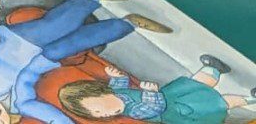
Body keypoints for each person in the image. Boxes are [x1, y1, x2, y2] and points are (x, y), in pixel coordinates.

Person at [0, 0, 172, 124]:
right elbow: (54, 118)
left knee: (55, 26)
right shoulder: (22, 106)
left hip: (14, 42)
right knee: (77, 41)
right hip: (44, 59)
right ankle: (129, 23)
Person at [58, 57, 254, 124]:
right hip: (180, 111)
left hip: (174, 94)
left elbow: (122, 83)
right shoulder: (134, 111)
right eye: (98, 114)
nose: (106, 112)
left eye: (101, 107)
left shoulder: (115, 92)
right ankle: (250, 99)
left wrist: (116, 76)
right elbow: (155, 109)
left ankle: (215, 68)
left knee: (196, 83)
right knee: (220, 102)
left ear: (102, 92)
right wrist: (151, 93)